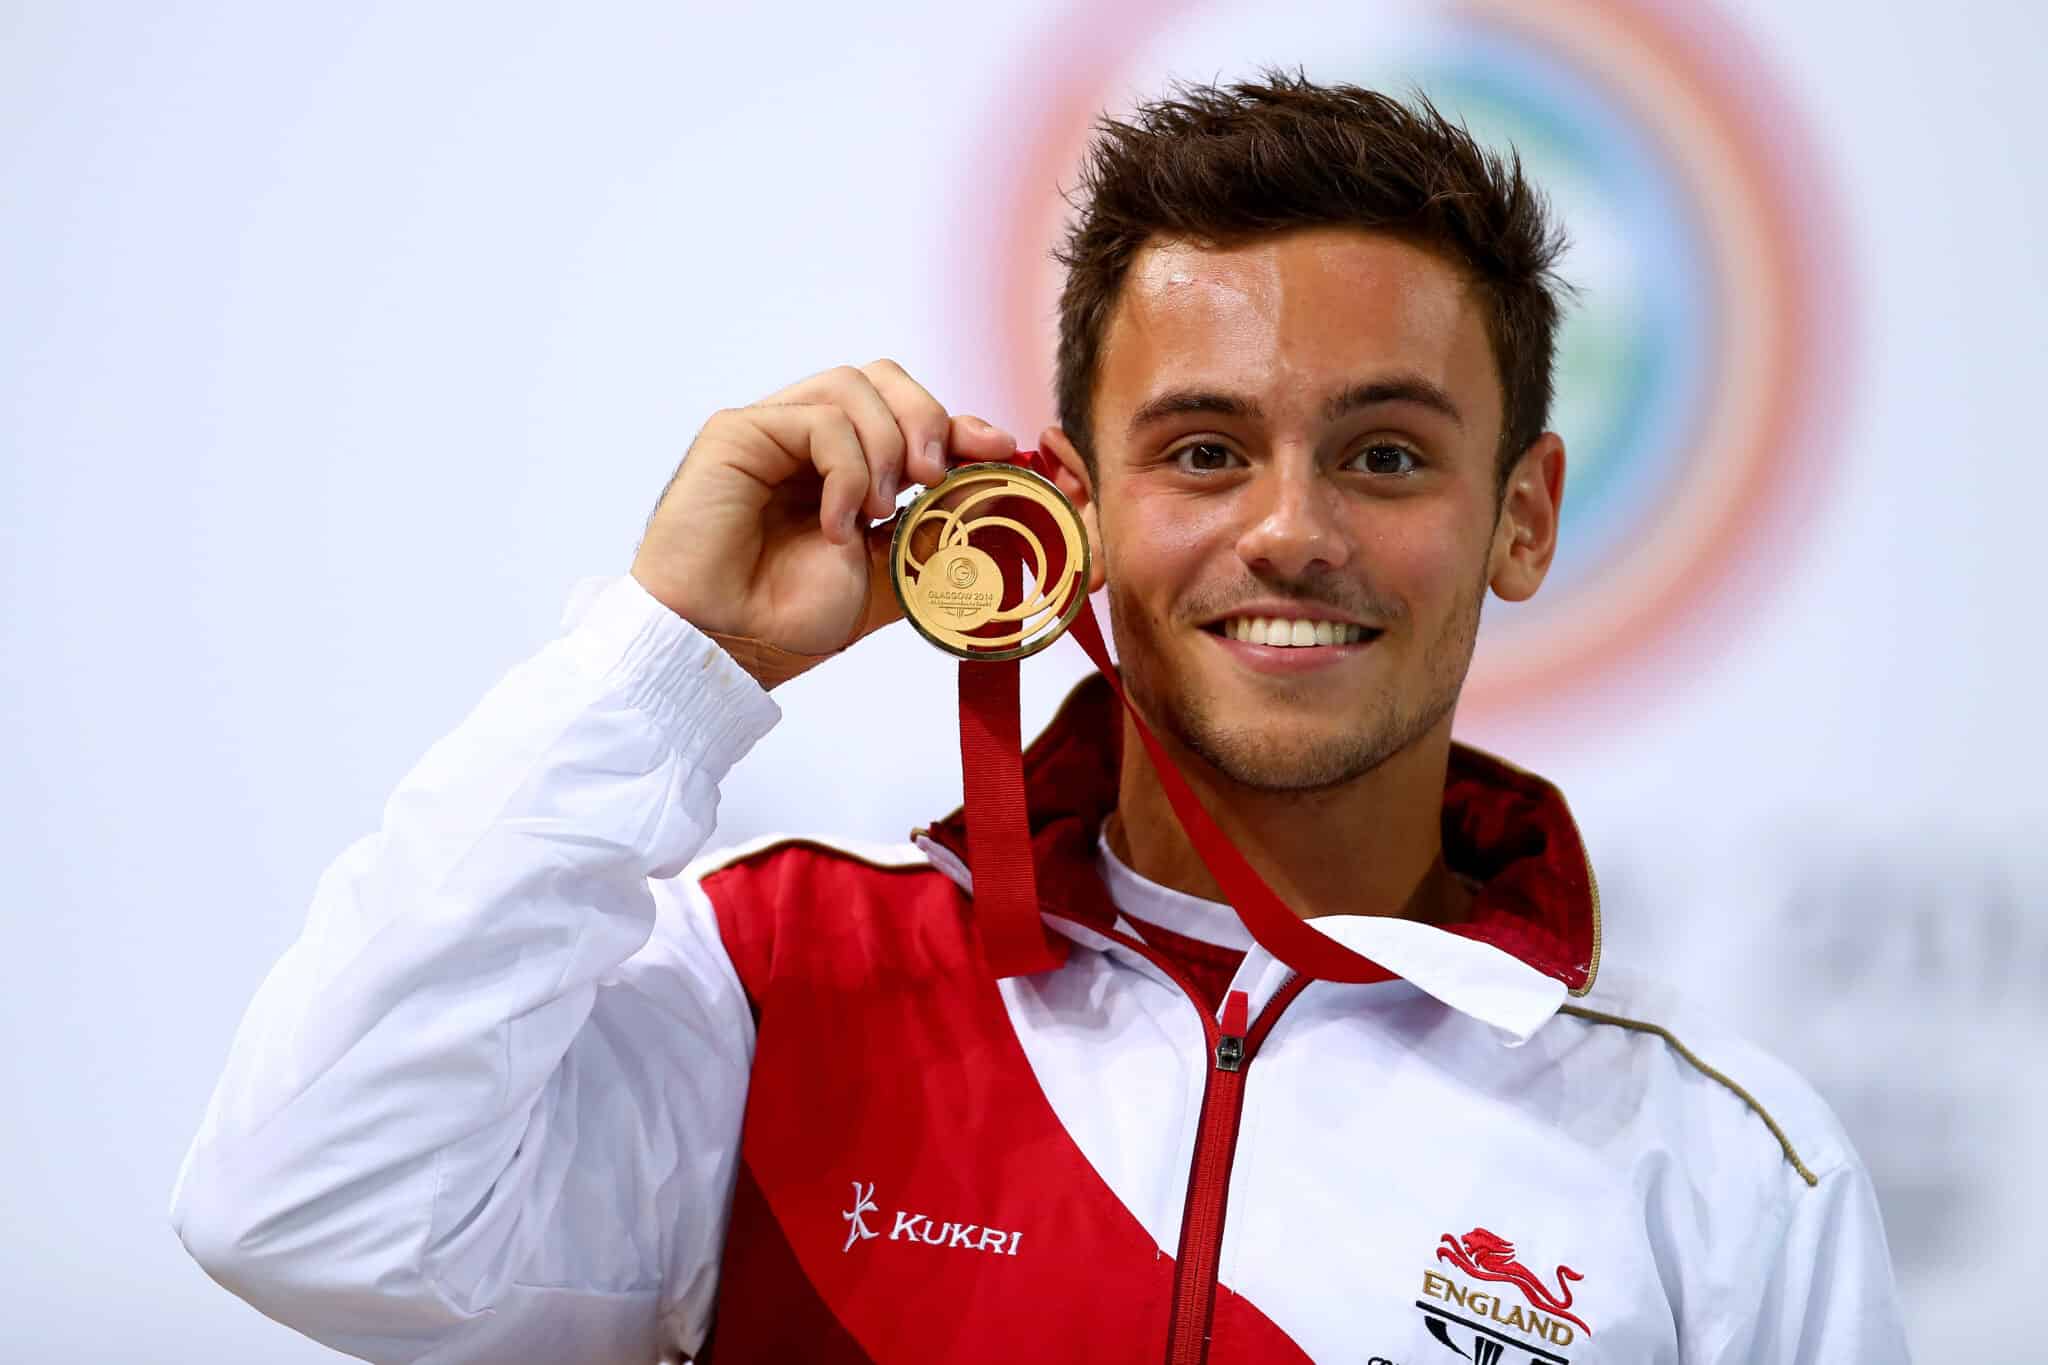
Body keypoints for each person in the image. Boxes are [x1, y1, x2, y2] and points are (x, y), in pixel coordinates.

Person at [170, 73, 1911, 1364]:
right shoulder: (781, 991)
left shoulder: (1719, 1171)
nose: (1289, 528)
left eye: (1385, 453)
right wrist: (667, 661)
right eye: (1204, 450)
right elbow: (308, 1204)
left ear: (1522, 513)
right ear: (1071, 500)